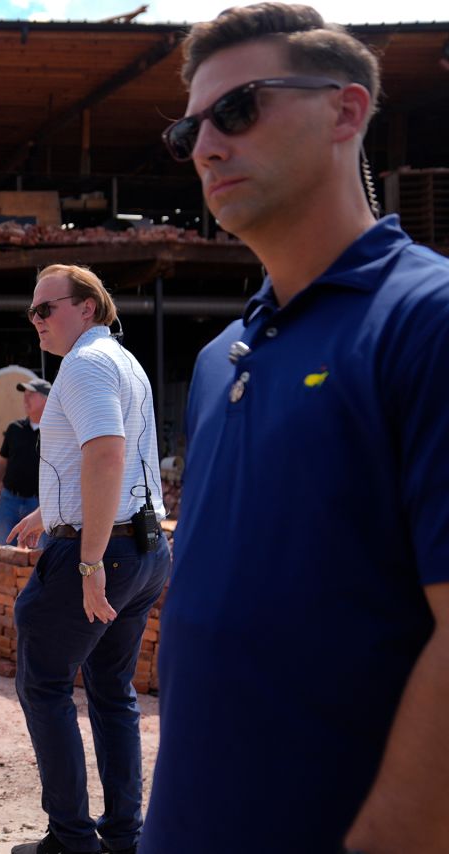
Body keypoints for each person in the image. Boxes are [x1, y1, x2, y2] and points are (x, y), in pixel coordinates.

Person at [143, 6, 449, 853]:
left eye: (237, 110)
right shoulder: (221, 359)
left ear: (345, 111)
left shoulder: (426, 322)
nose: (205, 146)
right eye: (188, 130)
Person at [7, 265, 170, 854]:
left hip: (106, 552)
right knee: (110, 688)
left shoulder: (83, 365)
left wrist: (88, 558)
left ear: (89, 308)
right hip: (147, 549)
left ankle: (73, 840)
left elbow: (106, 457)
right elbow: (108, 466)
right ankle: (125, 834)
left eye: (45, 308)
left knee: (45, 685)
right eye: (33, 311)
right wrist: (53, 514)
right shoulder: (124, 362)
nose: (36, 321)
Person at [0, 379, 49, 546]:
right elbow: (1, 463)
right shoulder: (14, 428)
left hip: (40, 505)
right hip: (9, 501)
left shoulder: (56, 431)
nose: (25, 399)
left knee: (40, 556)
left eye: (31, 395)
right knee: (4, 552)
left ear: (46, 399)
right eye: (24, 395)